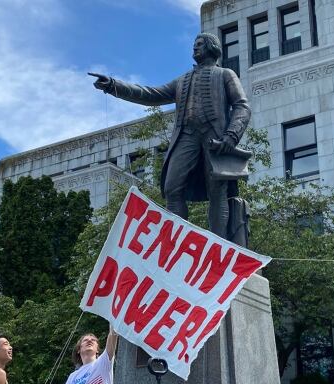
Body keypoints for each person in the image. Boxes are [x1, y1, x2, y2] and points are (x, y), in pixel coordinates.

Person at [88, 33, 250, 240]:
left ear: (212, 47)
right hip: (187, 136)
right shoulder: (182, 80)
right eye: (194, 45)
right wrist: (113, 85)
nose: (194, 49)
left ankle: (219, 245)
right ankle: (177, 243)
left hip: (215, 139)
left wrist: (231, 136)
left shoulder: (225, 74)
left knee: (217, 192)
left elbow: (242, 106)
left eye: (199, 45)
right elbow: (150, 94)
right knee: (172, 188)